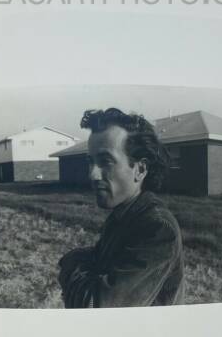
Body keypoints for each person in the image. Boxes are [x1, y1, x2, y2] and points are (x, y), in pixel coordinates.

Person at [58, 108, 184, 308]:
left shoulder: (157, 228)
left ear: (140, 169)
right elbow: (100, 260)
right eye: (91, 162)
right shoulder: (123, 214)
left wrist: (70, 264)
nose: (92, 174)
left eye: (105, 162)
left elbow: (96, 307)